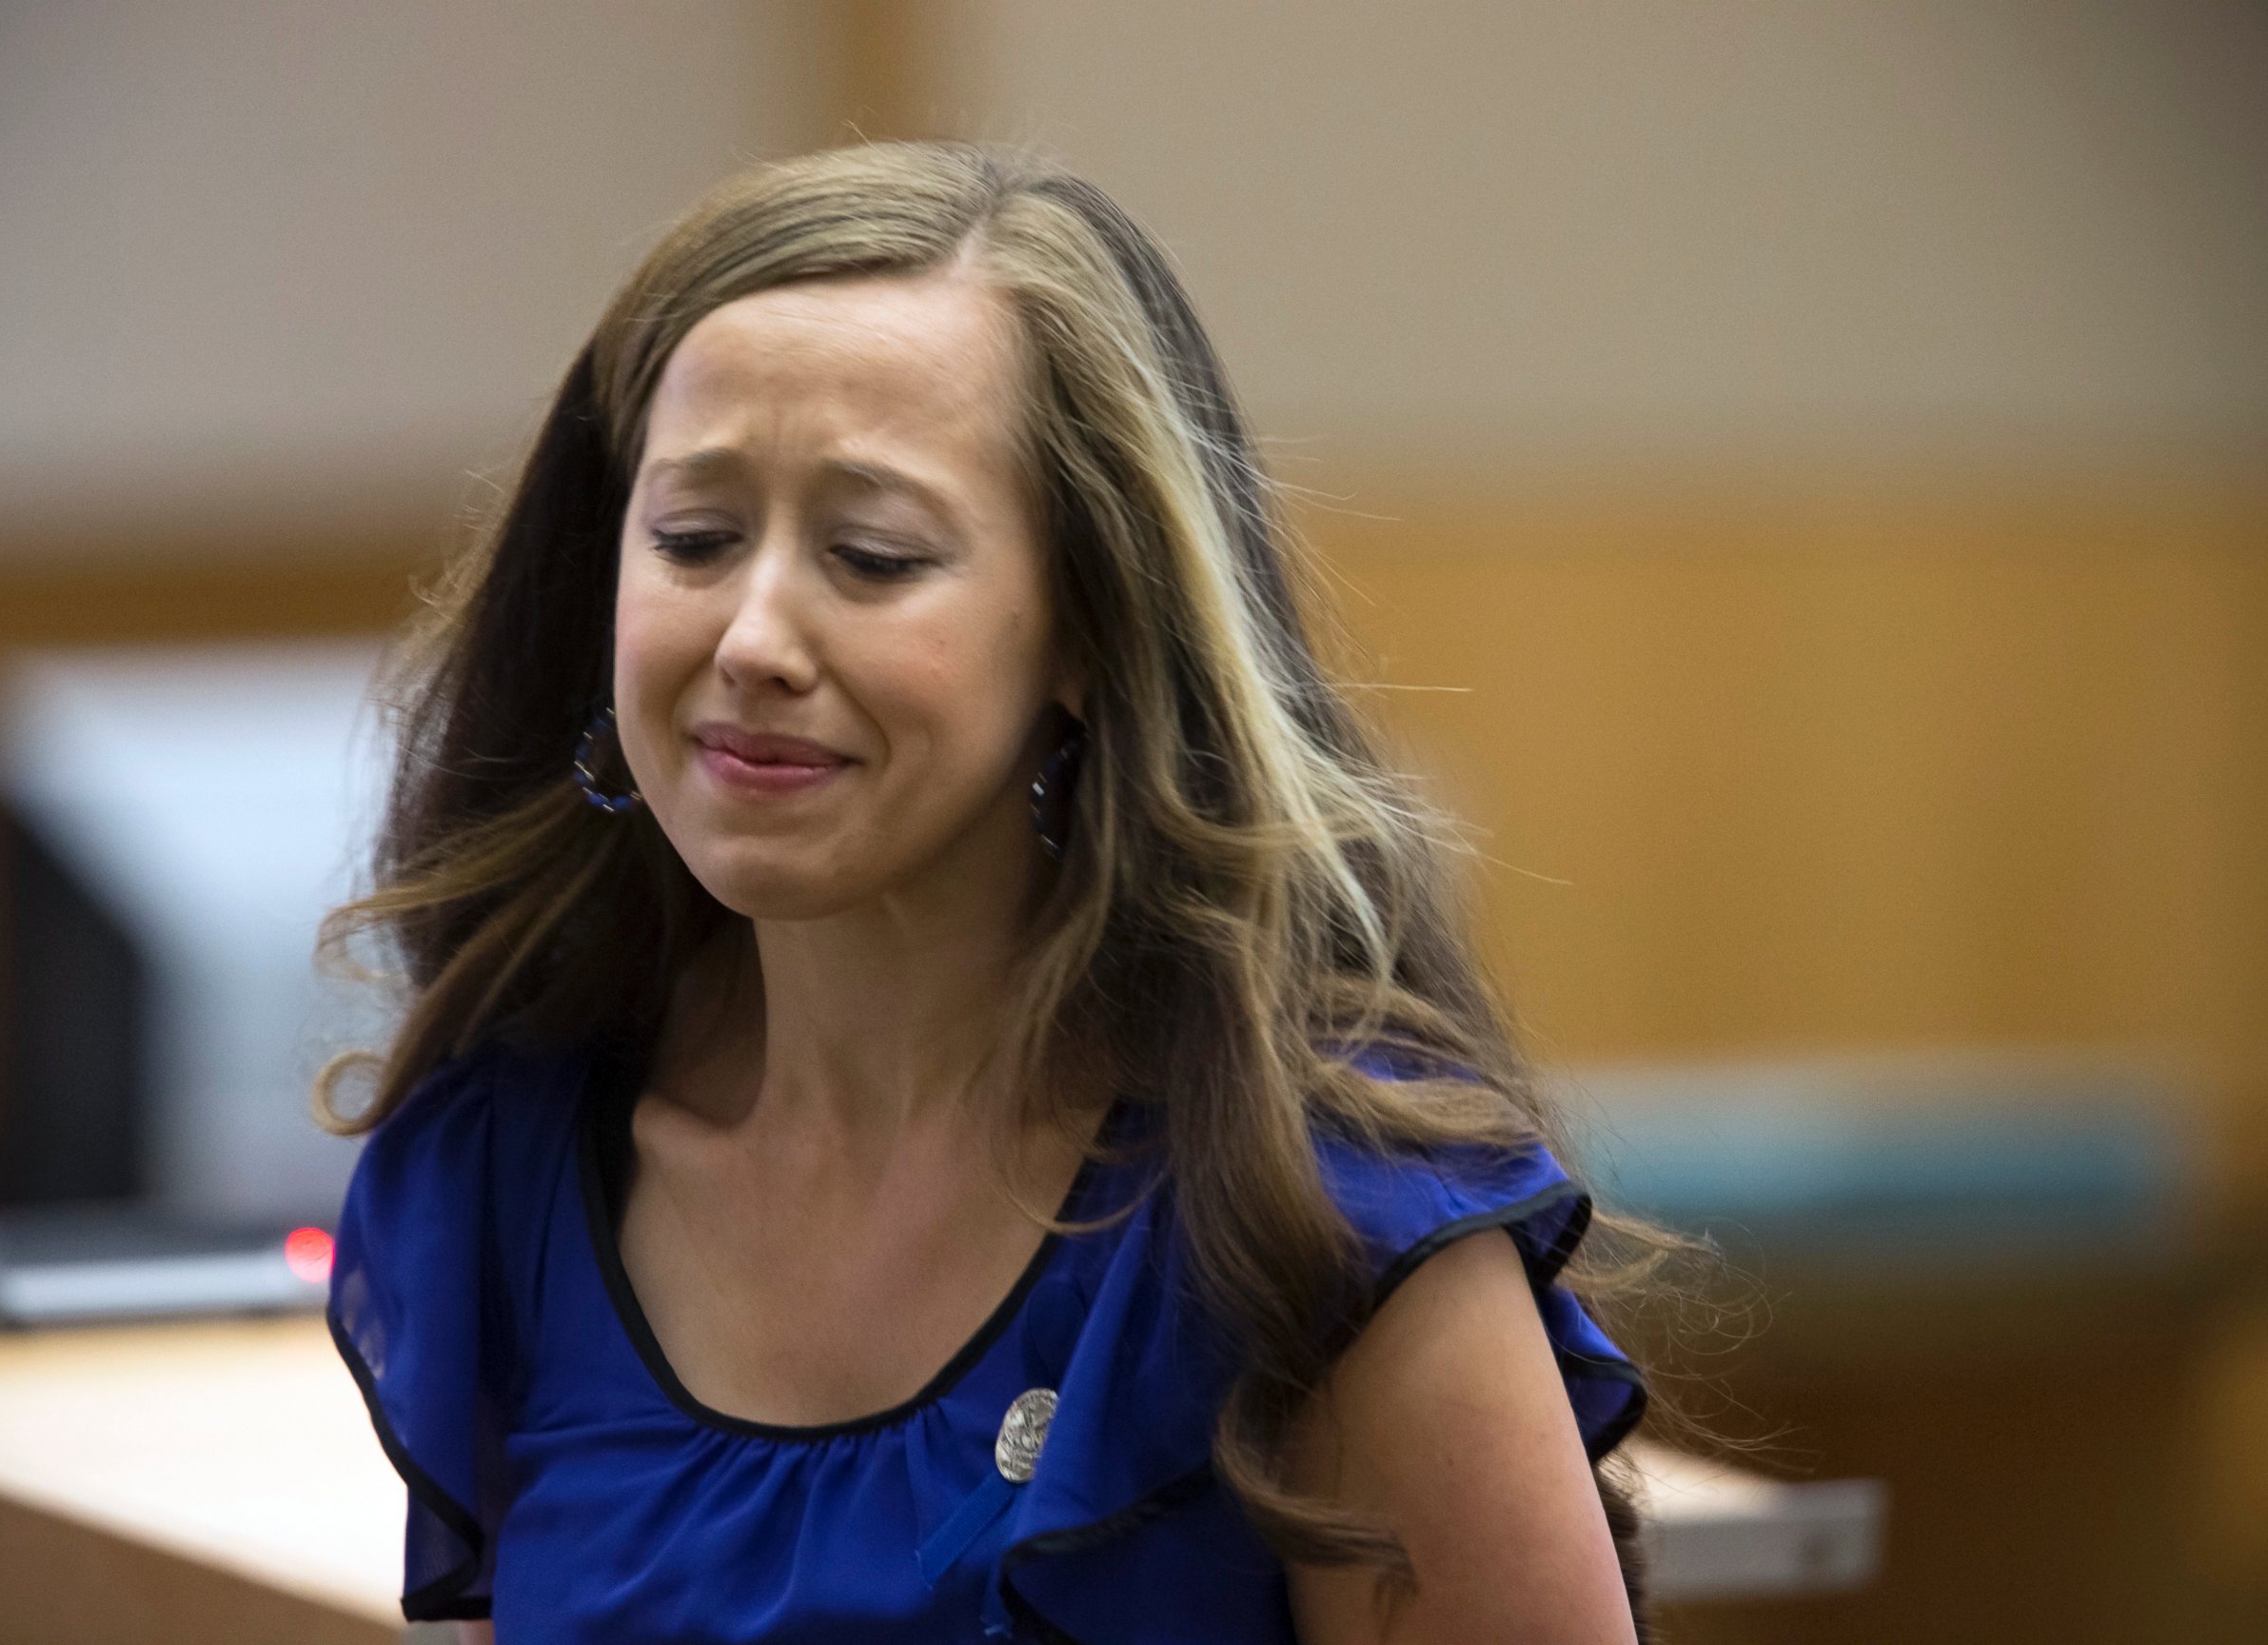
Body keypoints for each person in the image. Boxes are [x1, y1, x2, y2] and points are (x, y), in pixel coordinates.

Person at [320, 141, 1652, 1644]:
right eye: (693, 538)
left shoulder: (1322, 1213)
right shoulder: (507, 1157)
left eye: (873, 555)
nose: (753, 635)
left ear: (1085, 632)